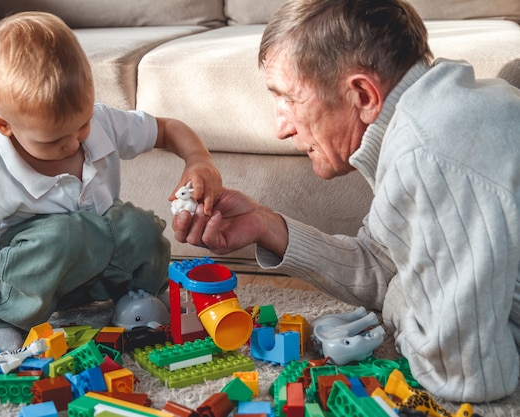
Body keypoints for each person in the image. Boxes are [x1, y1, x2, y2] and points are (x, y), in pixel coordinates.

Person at [173, 0, 520, 403]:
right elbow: (383, 263)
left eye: (288, 99)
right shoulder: (424, 116)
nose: (280, 127)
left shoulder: (429, 155)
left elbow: (466, 376)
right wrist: (267, 227)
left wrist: (400, 299)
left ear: (362, 93)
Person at [0, 11, 222, 361]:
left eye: (82, 125)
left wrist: (198, 159)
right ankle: (7, 320)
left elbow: (167, 129)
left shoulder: (101, 120)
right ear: (4, 126)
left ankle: (136, 300)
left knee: (139, 228)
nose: (75, 144)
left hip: (101, 261)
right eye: (55, 140)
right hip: (39, 277)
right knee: (65, 235)